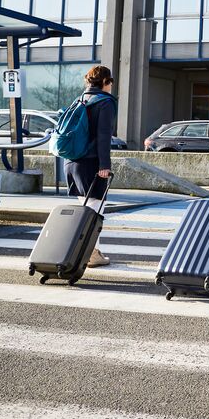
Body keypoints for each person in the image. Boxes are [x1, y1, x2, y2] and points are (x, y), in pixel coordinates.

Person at [64, 67, 118, 268]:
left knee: (88, 210)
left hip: (72, 162)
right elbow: (104, 136)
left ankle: (87, 251)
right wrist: (104, 165)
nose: (111, 85)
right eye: (110, 81)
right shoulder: (105, 102)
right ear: (104, 81)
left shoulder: (80, 99)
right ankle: (91, 253)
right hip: (91, 163)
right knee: (95, 212)